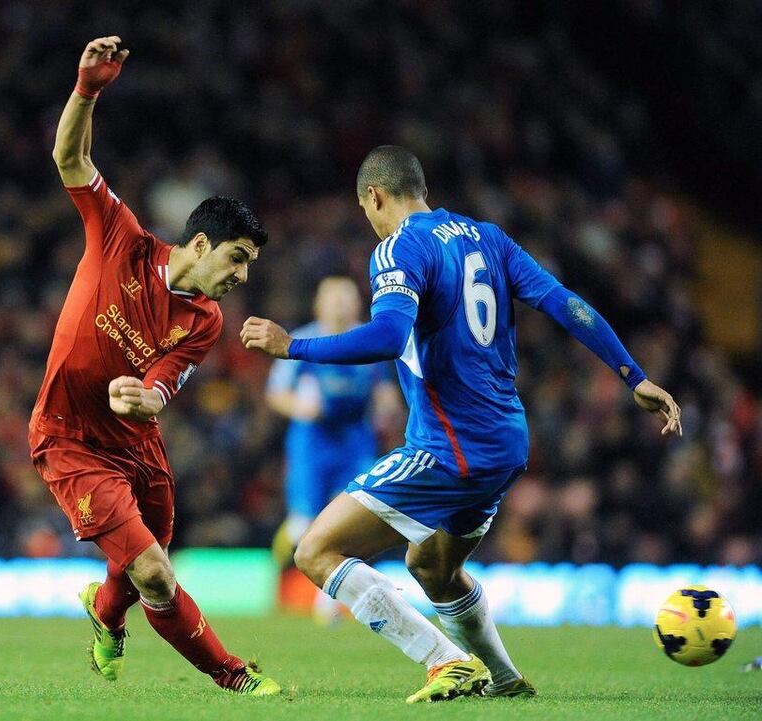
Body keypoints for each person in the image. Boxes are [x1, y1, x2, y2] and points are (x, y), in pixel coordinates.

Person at [241, 145, 683, 703]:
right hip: (507, 444)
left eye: (367, 210)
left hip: (449, 447)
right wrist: (633, 376)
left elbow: (386, 337)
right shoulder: (488, 237)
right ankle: (504, 679)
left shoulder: (399, 247)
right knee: (431, 566)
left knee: (314, 550)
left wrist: (293, 346)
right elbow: (563, 301)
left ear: (374, 197)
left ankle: (445, 661)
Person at [29, 36, 280, 696]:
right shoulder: (121, 238)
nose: (241, 275)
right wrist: (88, 87)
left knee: (141, 569)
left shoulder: (205, 321)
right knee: (157, 574)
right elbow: (69, 156)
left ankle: (106, 617)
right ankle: (235, 677)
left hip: (138, 445)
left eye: (248, 265)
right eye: (236, 259)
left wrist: (143, 399)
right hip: (70, 438)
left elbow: (162, 387)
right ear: (199, 243)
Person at [266, 276, 400, 622]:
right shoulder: (301, 340)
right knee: (302, 525)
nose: (340, 304)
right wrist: (300, 407)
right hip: (311, 443)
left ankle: (327, 603)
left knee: (346, 523)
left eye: (347, 297)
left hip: (355, 442)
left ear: (358, 304)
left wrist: (388, 408)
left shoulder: (369, 342)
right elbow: (277, 392)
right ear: (319, 304)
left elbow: (384, 389)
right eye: (334, 297)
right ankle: (277, 570)